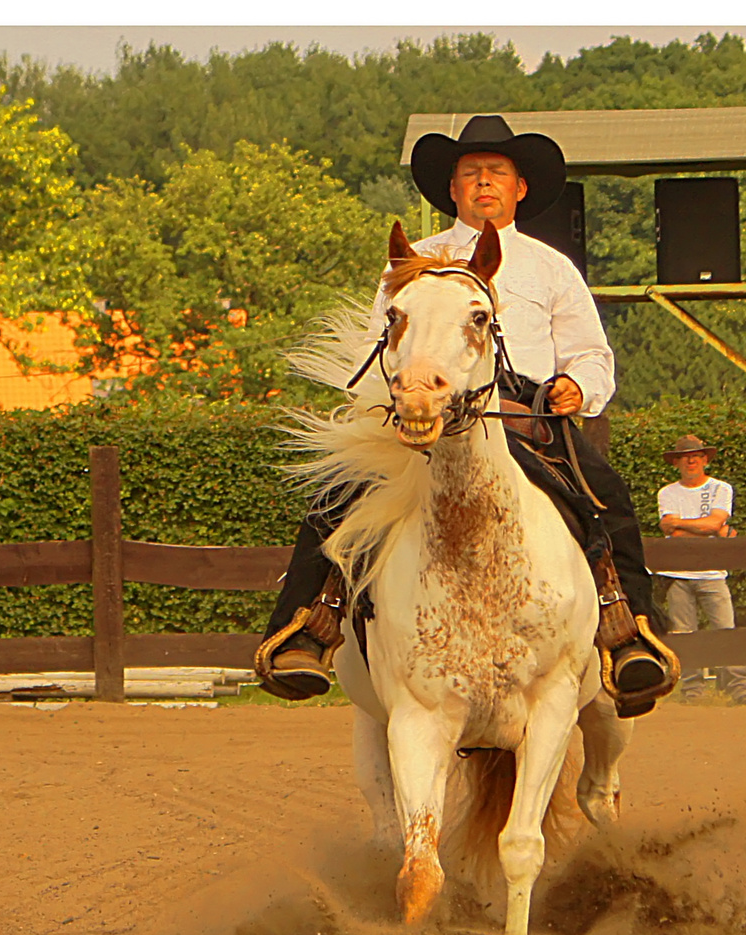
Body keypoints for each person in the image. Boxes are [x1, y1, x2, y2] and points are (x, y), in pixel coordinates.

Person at [256, 114, 674, 715]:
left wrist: (575, 387)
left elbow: (591, 354)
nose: (484, 183)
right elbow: (384, 343)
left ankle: (627, 632)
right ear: (451, 190)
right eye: (470, 173)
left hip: (523, 416)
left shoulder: (552, 268)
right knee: (337, 495)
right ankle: (307, 629)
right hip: (421, 414)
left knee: (605, 495)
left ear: (519, 188)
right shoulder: (413, 262)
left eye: (496, 173)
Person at [655, 434, 746, 707]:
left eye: (696, 456)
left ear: (704, 460)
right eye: (685, 456)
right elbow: (672, 530)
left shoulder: (721, 488)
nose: (691, 460)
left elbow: (705, 525)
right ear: (677, 462)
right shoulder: (667, 492)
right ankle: (693, 691)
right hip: (678, 574)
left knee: (726, 631)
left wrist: (687, 525)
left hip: (714, 573)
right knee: (683, 636)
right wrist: (710, 529)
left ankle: (740, 689)